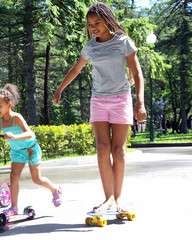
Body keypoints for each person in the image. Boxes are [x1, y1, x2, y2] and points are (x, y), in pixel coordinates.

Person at [53, 2, 146, 213]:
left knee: (118, 151)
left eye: (97, 22)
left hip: (121, 99)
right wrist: (60, 89)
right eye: (89, 24)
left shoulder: (123, 42)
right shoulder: (91, 46)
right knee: (103, 149)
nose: (93, 27)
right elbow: (76, 69)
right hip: (98, 100)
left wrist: (140, 102)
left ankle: (119, 198)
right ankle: (109, 198)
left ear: (107, 20)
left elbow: (137, 73)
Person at [0, 84, 62, 216]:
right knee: (14, 177)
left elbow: (30, 134)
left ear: (9, 105)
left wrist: (14, 136)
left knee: (36, 179)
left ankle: (55, 189)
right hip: (17, 152)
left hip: (30, 149)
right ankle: (14, 208)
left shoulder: (17, 118)